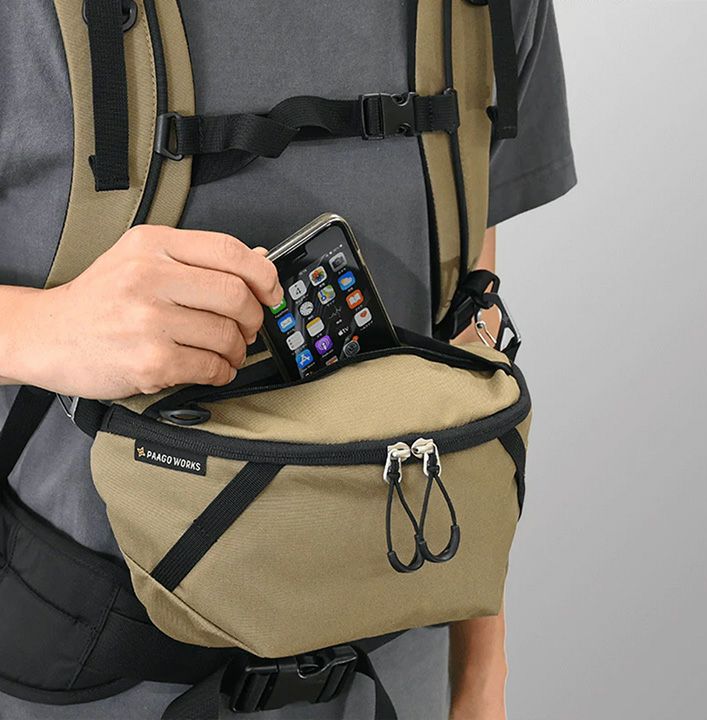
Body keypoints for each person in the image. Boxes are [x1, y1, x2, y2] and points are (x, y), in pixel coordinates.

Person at [0, 1, 575, 718]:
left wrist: (481, 673)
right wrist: (45, 328)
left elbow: (466, 323)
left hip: (402, 645)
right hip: (98, 671)